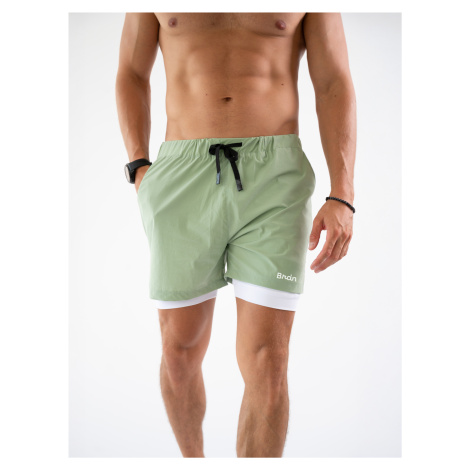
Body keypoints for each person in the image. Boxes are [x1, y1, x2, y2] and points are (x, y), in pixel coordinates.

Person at [115, 12, 356, 458]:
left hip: (274, 178)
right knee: (179, 353)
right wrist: (138, 164)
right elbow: (131, 71)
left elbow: (333, 81)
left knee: (269, 361)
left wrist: (343, 193)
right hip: (181, 175)